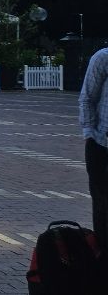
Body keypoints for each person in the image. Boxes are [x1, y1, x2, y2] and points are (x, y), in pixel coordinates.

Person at [80, 45, 108, 248]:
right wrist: (89, 134)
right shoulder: (103, 58)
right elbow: (88, 97)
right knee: (103, 209)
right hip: (102, 145)